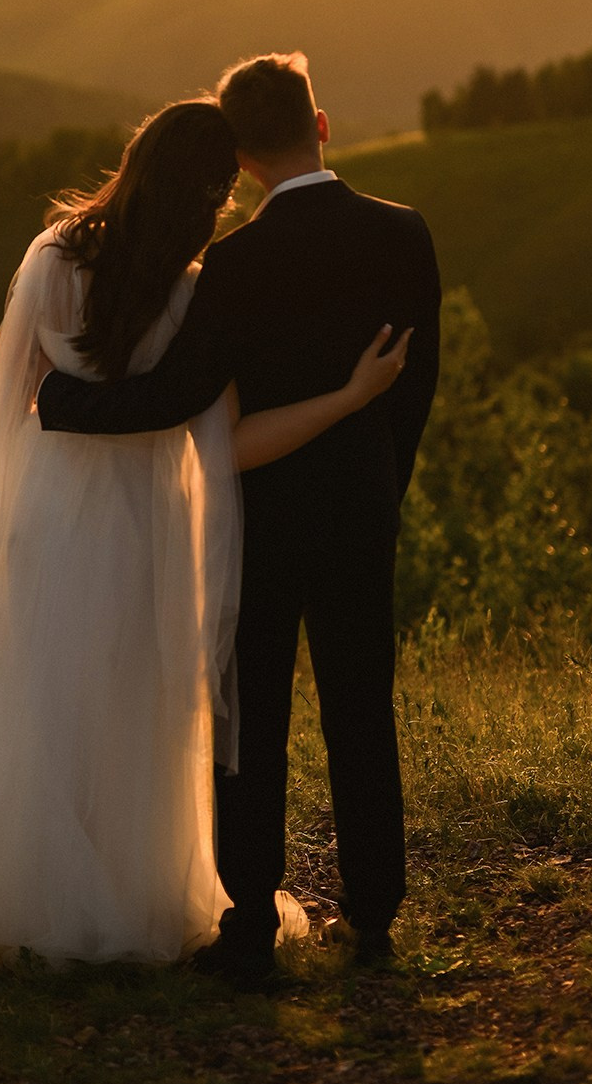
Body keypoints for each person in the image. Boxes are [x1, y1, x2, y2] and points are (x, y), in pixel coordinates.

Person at [0, 99, 410, 987]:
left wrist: (58, 414)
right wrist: (347, 400)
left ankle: (11, 896)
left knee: (32, 698)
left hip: (47, 505)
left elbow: (8, 399)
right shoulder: (196, 288)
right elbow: (227, 439)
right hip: (146, 520)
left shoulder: (56, 255)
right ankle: (121, 892)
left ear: (136, 160)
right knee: (133, 704)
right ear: (215, 192)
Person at [38, 56, 441, 982]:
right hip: (360, 506)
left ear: (244, 160)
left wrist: (64, 401)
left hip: (258, 515)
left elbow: (179, 396)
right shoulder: (402, 234)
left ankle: (250, 918)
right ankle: (373, 909)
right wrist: (385, 484)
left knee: (249, 718)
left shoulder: (234, 262)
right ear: (323, 124)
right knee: (360, 705)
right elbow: (417, 387)